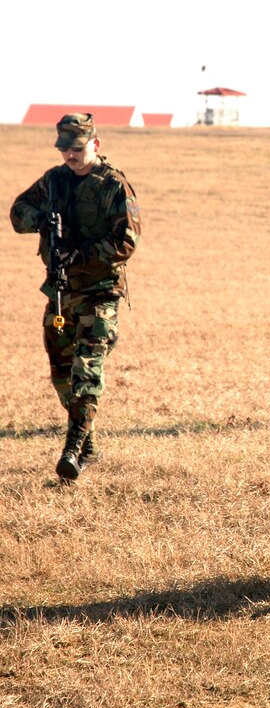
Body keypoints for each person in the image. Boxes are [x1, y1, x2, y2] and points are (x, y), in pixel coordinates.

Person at [10, 113, 141, 482]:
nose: (69, 155)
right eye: (63, 148)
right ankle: (90, 442)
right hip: (60, 293)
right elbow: (16, 212)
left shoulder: (113, 185)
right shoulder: (54, 181)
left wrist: (80, 253)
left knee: (87, 368)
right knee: (61, 373)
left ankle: (72, 448)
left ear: (95, 144)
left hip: (100, 293)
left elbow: (127, 241)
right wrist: (41, 220)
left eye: (77, 148)